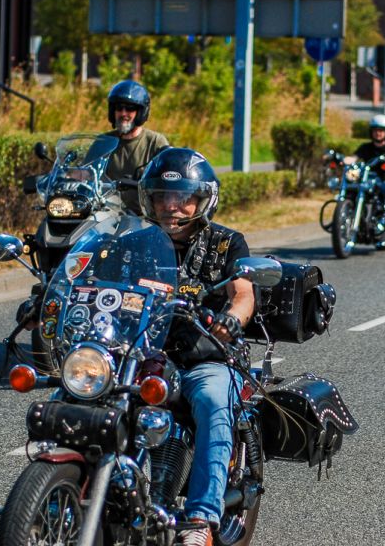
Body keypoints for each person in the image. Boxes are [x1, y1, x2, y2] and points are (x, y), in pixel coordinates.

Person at [137, 148, 255, 546]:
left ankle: (200, 519)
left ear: (202, 199)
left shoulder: (226, 242)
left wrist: (231, 319)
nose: (171, 207)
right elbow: (97, 277)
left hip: (205, 354)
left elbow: (243, 293)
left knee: (210, 400)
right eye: (162, 197)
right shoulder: (135, 241)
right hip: (142, 354)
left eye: (182, 198)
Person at [105, 80, 169, 211]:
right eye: (119, 108)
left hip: (143, 215)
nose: (123, 113)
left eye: (130, 108)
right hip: (106, 212)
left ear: (141, 112)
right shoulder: (104, 141)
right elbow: (85, 172)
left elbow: (167, 179)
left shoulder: (155, 142)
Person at [346, 114, 385, 228]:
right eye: (375, 130)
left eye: (381, 131)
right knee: (352, 184)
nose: (378, 133)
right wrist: (345, 160)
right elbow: (354, 157)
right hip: (368, 178)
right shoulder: (366, 147)